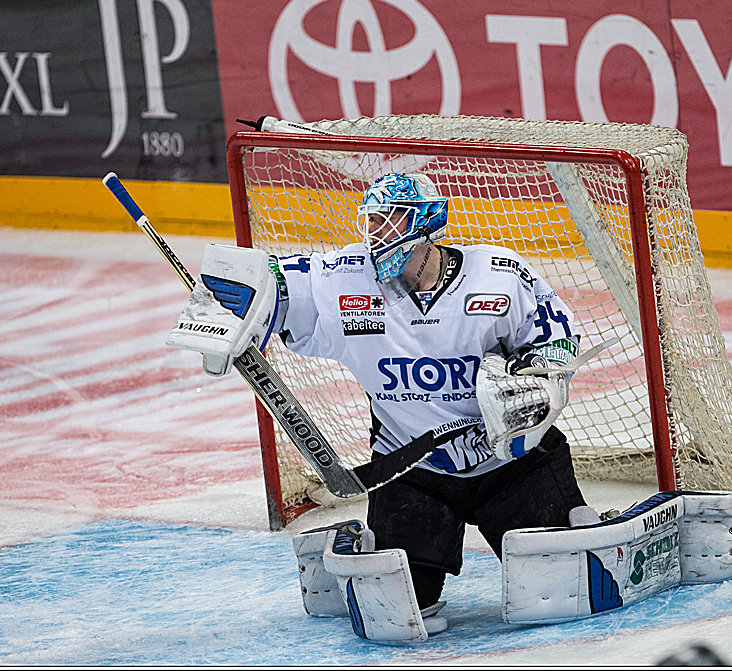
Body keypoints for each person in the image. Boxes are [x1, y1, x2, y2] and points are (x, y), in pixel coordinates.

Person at [168, 172, 600, 642]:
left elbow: (556, 337)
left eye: (391, 220)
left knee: (559, 598)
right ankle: (367, 547)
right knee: (398, 618)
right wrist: (229, 306)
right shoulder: (345, 279)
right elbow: (276, 281)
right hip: (413, 472)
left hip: (514, 466)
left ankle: (580, 527)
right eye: (373, 222)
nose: (378, 235)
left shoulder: (499, 273)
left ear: (429, 222)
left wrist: (540, 377)